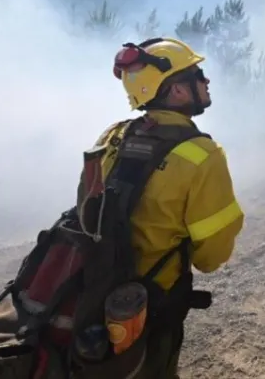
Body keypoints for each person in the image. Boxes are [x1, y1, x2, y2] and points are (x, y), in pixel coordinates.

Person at [89, 36, 246, 377]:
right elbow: (211, 256)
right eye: (197, 74)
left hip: (92, 289)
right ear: (176, 90)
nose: (205, 81)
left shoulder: (112, 136)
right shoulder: (203, 156)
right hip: (152, 306)